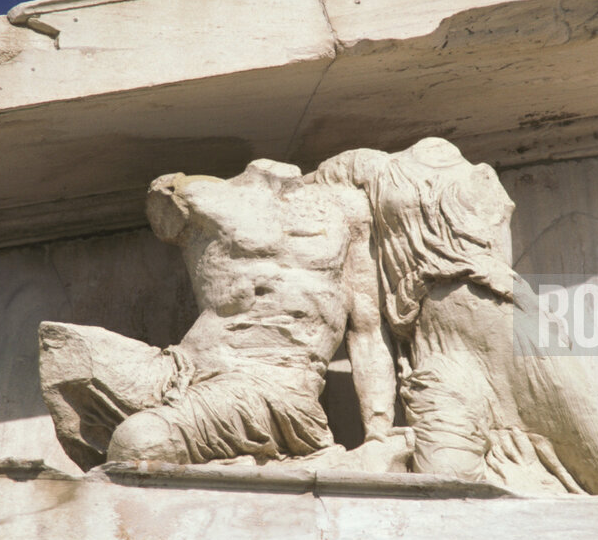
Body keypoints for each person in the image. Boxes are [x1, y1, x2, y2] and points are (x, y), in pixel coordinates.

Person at [316, 137, 598, 497]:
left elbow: (500, 262)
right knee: (444, 476)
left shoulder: (481, 176)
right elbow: (312, 188)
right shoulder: (371, 168)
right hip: (437, 347)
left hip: (510, 329)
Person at [42, 158, 397, 468]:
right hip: (187, 366)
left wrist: (378, 436)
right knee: (72, 356)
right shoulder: (195, 195)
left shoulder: (346, 208)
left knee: (138, 442)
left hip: (270, 381)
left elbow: (366, 330)